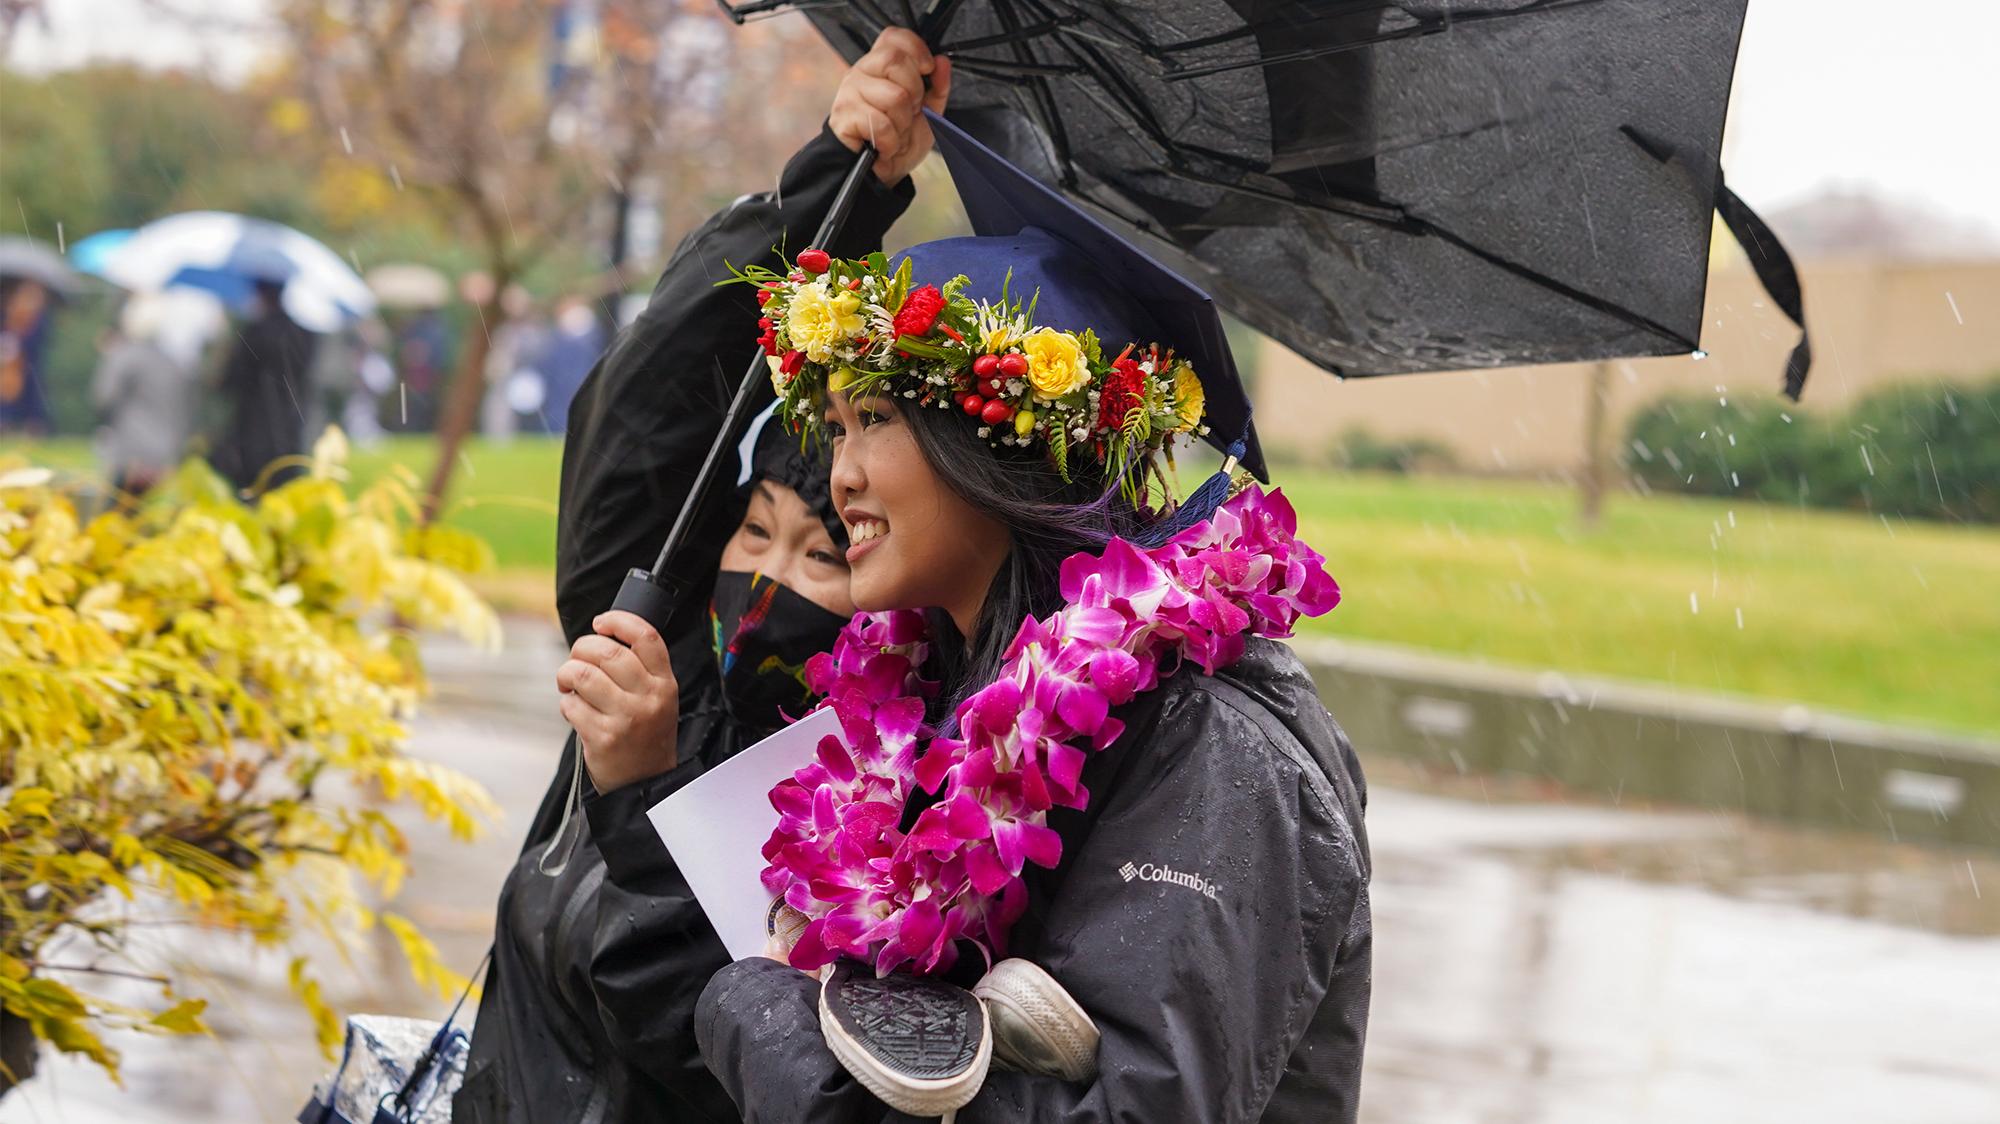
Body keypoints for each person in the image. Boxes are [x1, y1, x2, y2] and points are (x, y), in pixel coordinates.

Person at [687, 114, 1372, 1121]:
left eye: (874, 419)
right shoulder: (929, 696)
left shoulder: (1215, 750)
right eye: (833, 426)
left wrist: (774, 1031)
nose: (840, 474)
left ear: (998, 442)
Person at [452, 29, 950, 1123]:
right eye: (754, 532)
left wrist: (640, 789)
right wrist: (838, 180)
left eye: (822, 553)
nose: (766, 580)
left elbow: (709, 1036)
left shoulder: (895, 797)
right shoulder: (660, 654)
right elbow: (641, 408)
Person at [209, 276, 319, 494]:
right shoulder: (304, 333)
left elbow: (229, 383)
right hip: (290, 426)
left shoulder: (255, 332)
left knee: (249, 493)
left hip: (254, 428)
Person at [91, 292, 205, 496]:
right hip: (165, 454)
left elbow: (103, 397)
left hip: (129, 453)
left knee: (119, 510)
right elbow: (187, 409)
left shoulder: (126, 354)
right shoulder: (175, 363)